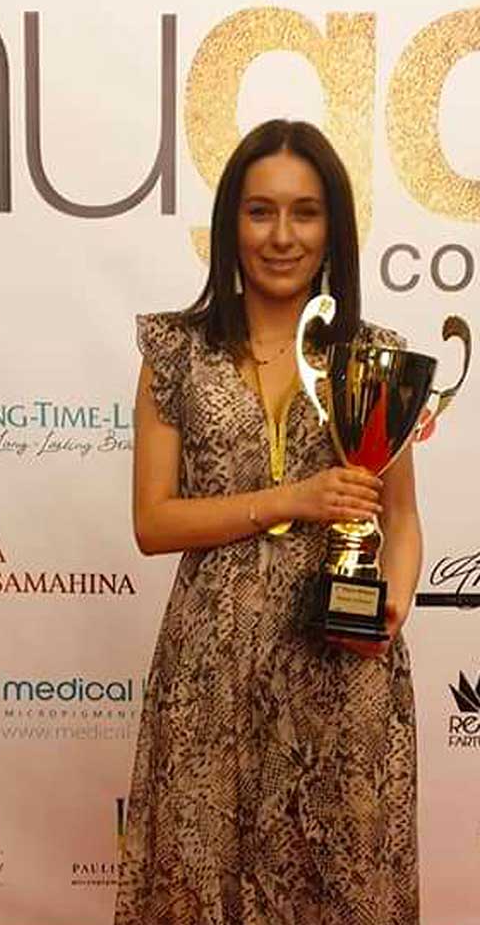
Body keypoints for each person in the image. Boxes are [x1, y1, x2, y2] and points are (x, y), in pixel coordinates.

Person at [114, 119, 422, 925]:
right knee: (200, 883)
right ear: (231, 224)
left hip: (341, 667)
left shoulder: (372, 356)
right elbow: (152, 522)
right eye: (260, 211)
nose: (282, 236)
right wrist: (289, 500)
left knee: (341, 886)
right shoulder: (176, 353)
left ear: (333, 227)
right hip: (211, 669)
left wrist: (391, 606)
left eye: (305, 212)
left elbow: (401, 517)